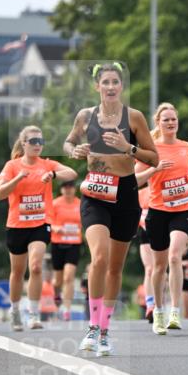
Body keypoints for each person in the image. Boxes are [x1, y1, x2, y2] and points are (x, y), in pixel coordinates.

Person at [63, 62, 158, 355]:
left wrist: (127, 147)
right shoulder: (85, 116)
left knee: (115, 267)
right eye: (105, 82)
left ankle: (105, 330)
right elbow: (68, 142)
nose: (111, 87)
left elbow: (153, 158)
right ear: (97, 87)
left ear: (121, 86)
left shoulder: (135, 118)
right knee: (99, 257)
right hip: (95, 193)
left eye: (115, 81)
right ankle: (92, 327)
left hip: (126, 195)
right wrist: (75, 151)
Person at [0, 125, 77, 331]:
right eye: (33, 142)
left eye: (40, 142)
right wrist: (17, 178)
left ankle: (33, 313)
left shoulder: (47, 164)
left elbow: (72, 172)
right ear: (24, 144)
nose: (38, 145)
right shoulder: (12, 166)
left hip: (41, 223)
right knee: (17, 271)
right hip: (16, 225)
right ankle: (15, 311)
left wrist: (53, 176)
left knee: (36, 266)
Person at [135, 103, 188, 334]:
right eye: (166, 120)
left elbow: (183, 174)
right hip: (158, 210)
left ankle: (175, 311)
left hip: (183, 207)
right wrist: (155, 168)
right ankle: (158, 311)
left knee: (174, 257)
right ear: (158, 123)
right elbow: (135, 178)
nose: (171, 123)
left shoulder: (186, 147)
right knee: (158, 266)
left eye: (173, 119)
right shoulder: (150, 149)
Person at [50, 180, 82, 321]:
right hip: (58, 243)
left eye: (70, 187)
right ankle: (56, 295)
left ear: (74, 189)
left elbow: (87, 219)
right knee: (58, 280)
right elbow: (48, 220)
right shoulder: (55, 203)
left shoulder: (80, 204)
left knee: (69, 277)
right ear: (61, 189)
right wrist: (55, 228)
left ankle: (67, 309)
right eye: (65, 187)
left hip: (74, 243)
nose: (68, 190)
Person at [136, 178, 154, 323]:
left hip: (163, 234)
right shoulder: (140, 193)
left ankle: (160, 304)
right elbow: (134, 213)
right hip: (145, 234)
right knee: (149, 269)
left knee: (160, 271)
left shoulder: (163, 192)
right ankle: (150, 304)